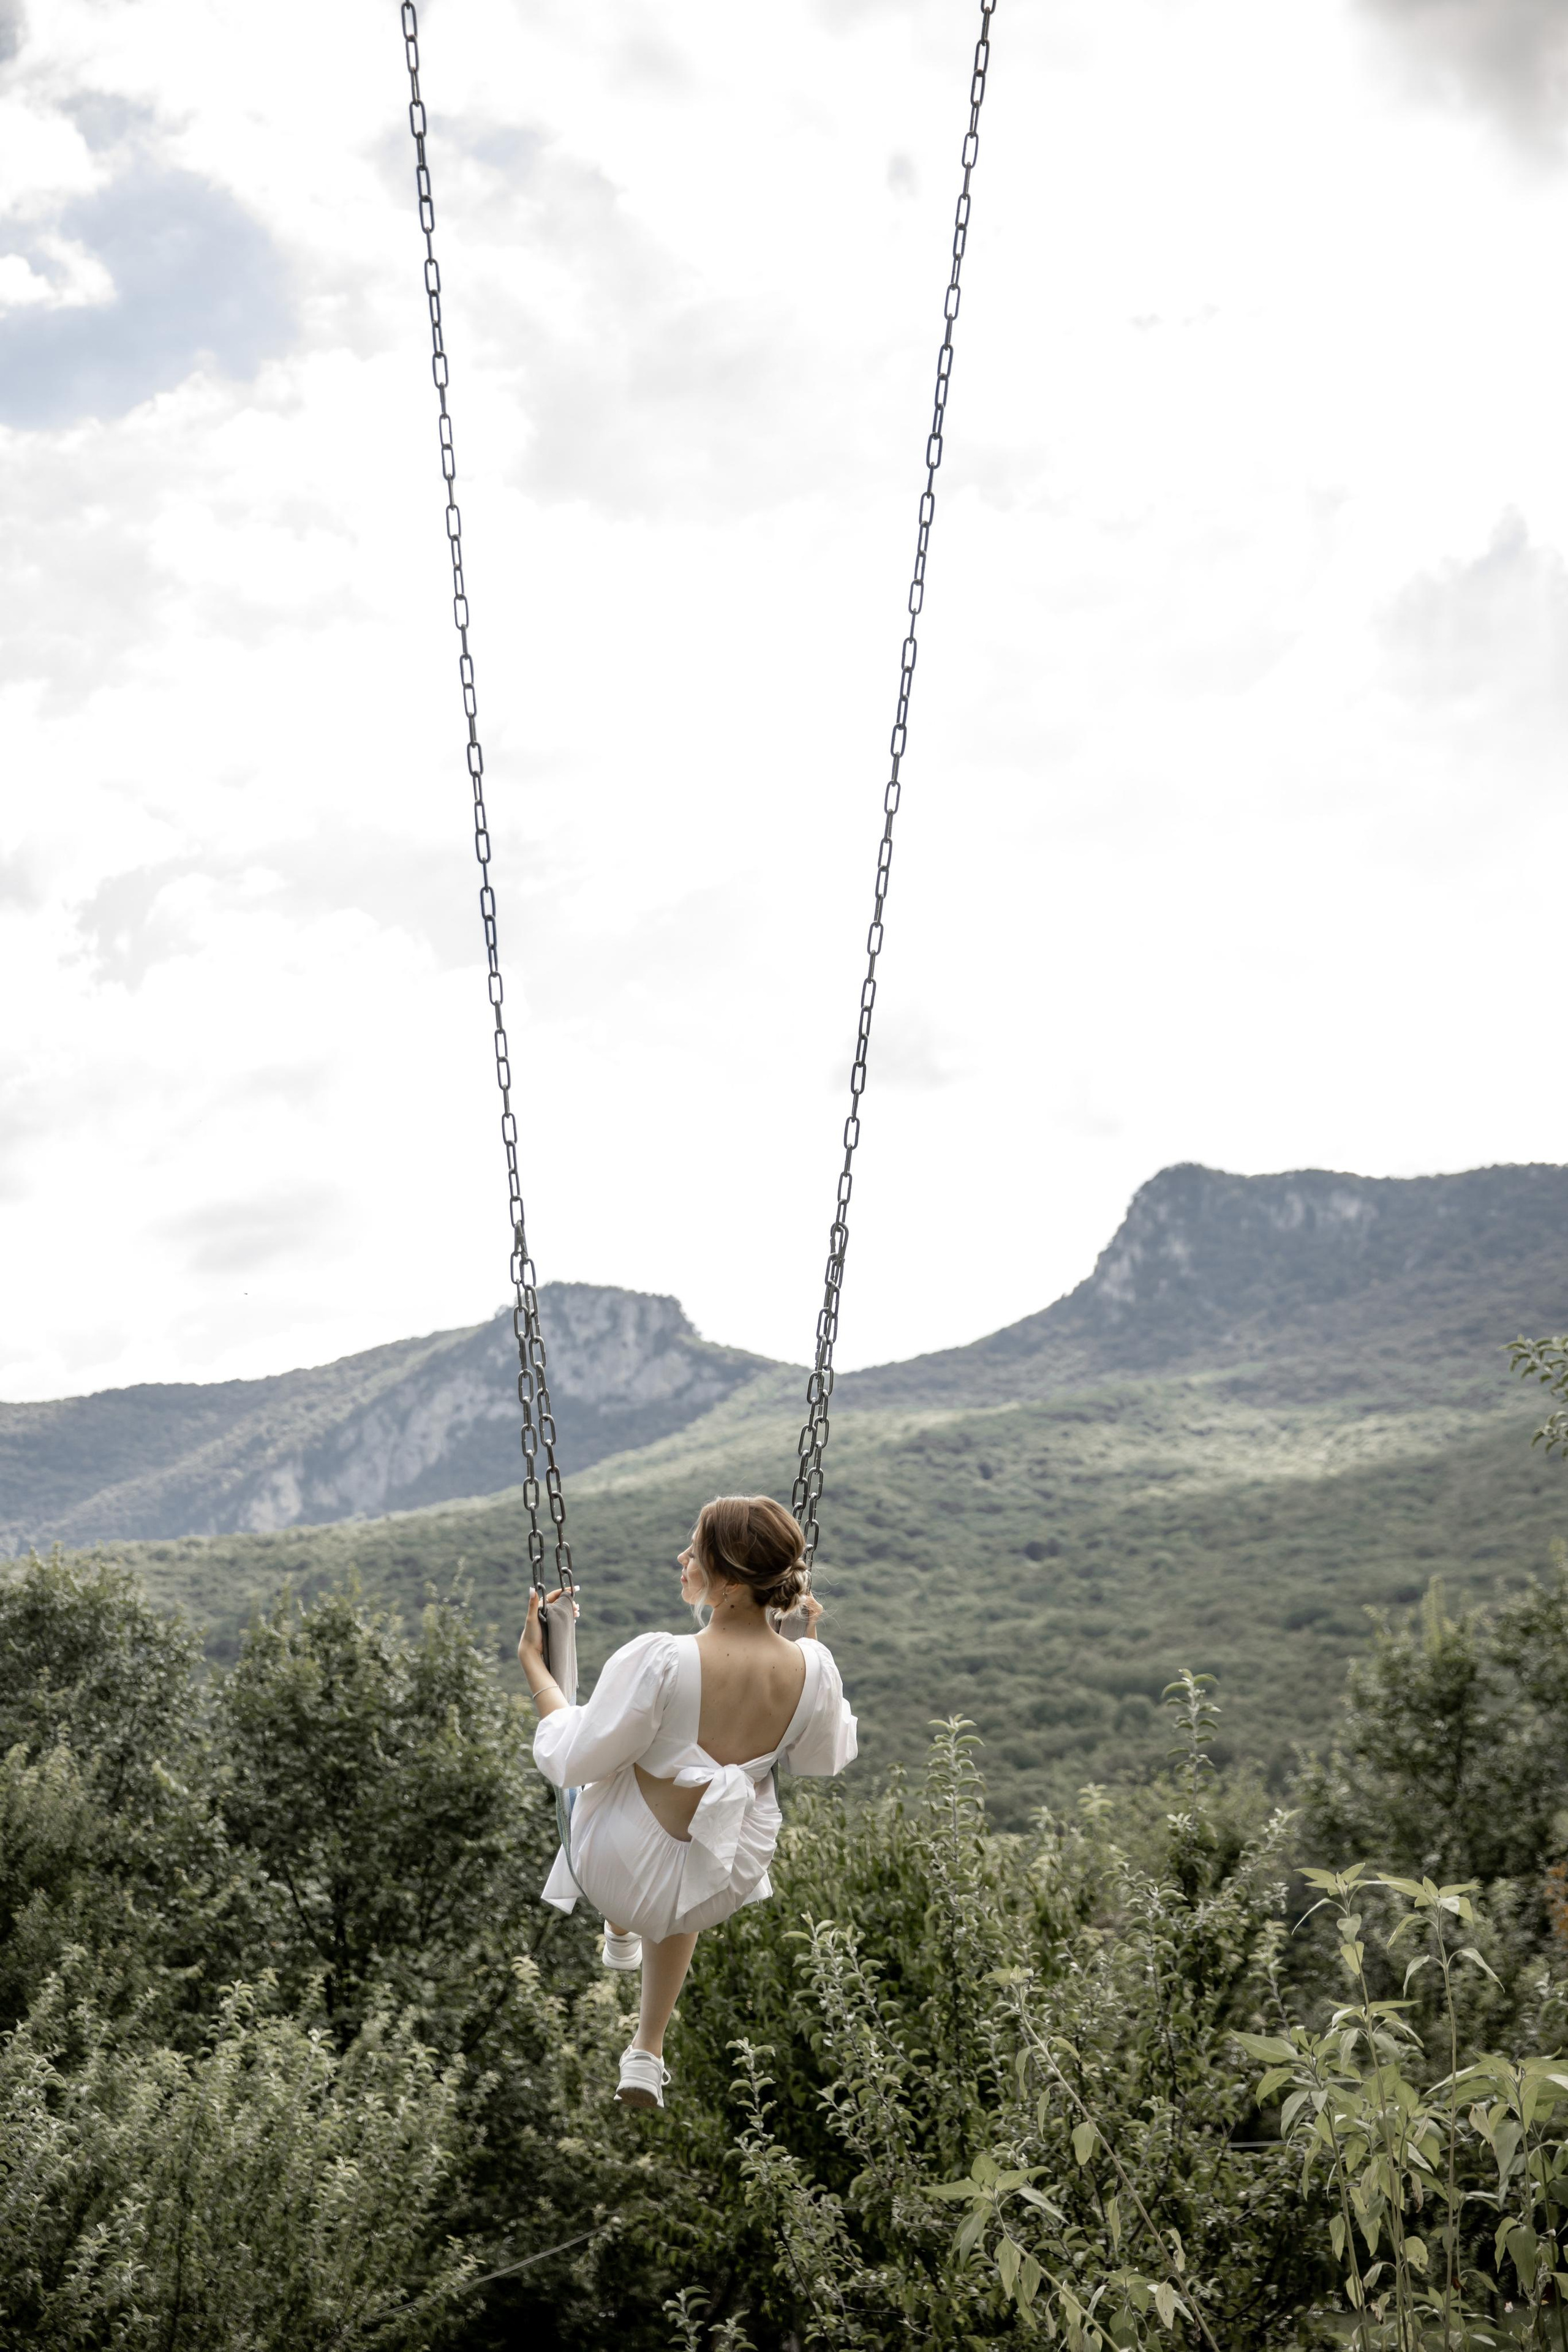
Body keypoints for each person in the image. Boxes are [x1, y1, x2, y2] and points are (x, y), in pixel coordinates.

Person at [518, 1493, 858, 2110]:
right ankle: (646, 2050)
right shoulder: (815, 1668)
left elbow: (569, 1759)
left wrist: (538, 1671)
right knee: (700, 1838)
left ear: (729, 1581)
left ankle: (620, 1925)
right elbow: (820, 1759)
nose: (682, 1558)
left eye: (694, 1551)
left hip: (618, 1870)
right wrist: (805, 1654)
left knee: (608, 1759)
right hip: (719, 1879)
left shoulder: (665, 1660)